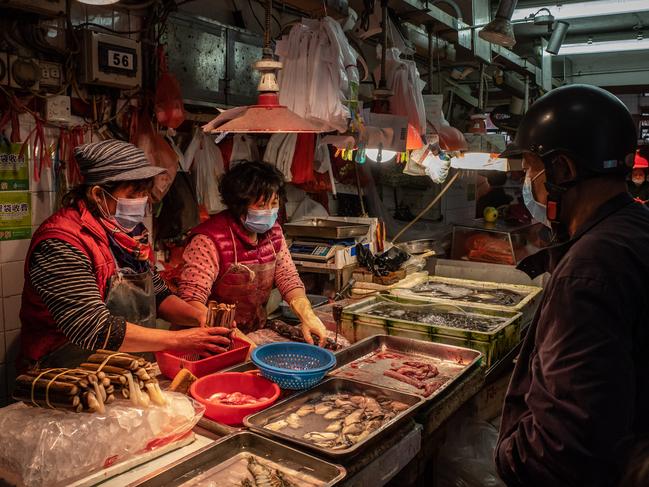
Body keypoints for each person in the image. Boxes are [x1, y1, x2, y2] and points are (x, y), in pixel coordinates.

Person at [495, 84, 649, 486]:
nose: (528, 182)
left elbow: (564, 448)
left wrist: (510, 457)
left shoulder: (591, 269)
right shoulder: (635, 227)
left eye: (531, 168)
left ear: (562, 170)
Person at [19, 140, 232, 369]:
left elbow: (158, 296)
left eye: (145, 192)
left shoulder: (130, 235)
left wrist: (198, 317)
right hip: (66, 375)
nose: (143, 201)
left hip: (124, 368)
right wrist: (181, 340)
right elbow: (91, 327)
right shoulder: (61, 242)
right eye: (134, 194)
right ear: (98, 194)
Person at [178, 160, 327, 345]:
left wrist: (308, 315)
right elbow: (191, 301)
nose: (269, 211)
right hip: (207, 339)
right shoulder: (207, 240)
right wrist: (235, 338)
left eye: (274, 203)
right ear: (239, 205)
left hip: (254, 332)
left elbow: (288, 278)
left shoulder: (274, 233)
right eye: (261, 205)